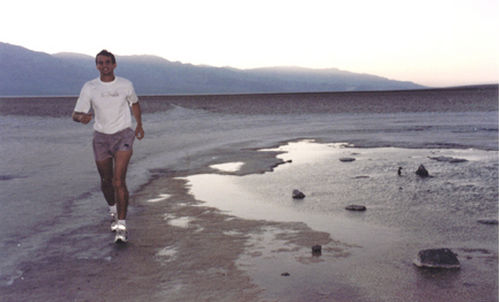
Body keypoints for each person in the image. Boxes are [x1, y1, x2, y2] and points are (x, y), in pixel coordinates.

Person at [72, 50, 144, 243]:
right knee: (106, 180)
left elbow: (135, 103)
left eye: (107, 62)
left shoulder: (125, 85)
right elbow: (76, 113)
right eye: (100, 63)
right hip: (101, 138)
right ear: (96, 66)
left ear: (114, 65)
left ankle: (122, 226)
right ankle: (113, 209)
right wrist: (82, 118)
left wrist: (139, 125)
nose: (104, 65)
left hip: (123, 135)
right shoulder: (90, 87)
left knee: (119, 181)